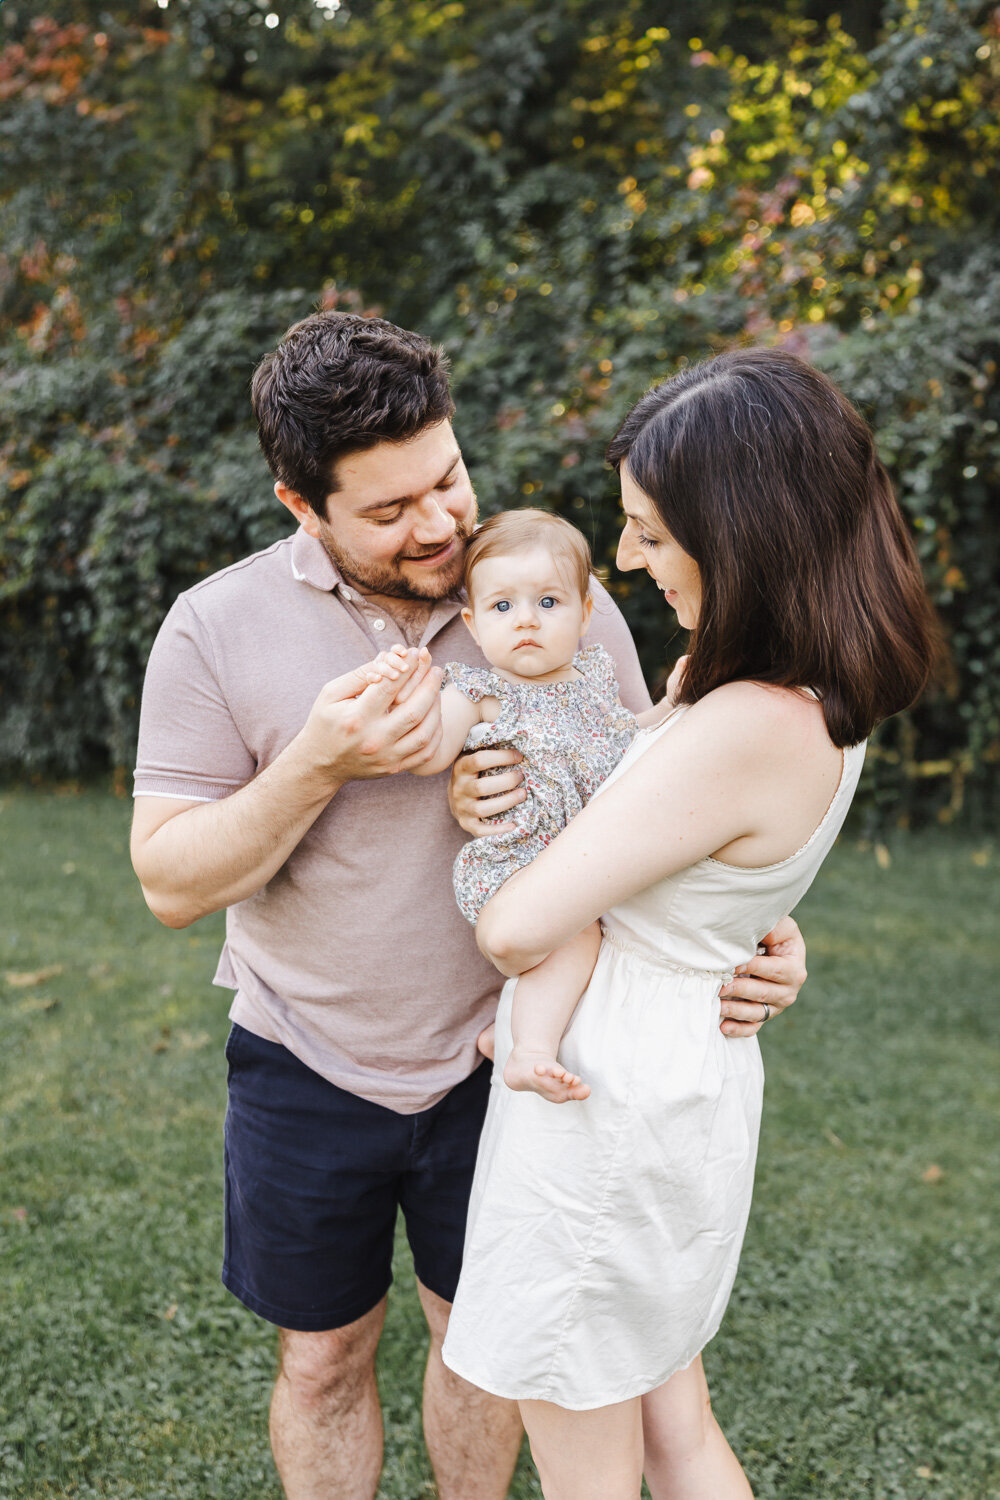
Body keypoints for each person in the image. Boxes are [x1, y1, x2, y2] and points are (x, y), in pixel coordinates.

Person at [129, 310, 809, 1500]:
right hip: (308, 1056)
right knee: (325, 1356)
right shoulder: (215, 628)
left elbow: (654, 808)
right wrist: (318, 763)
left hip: (513, 1058)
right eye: (388, 512)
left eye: (446, 478)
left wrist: (760, 931)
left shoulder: (562, 596)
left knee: (488, 1349)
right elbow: (168, 883)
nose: (440, 522)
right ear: (301, 506)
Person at [441, 347, 937, 1500]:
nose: (622, 558)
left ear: (744, 529)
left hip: (607, 1094)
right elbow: (708, 865)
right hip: (671, 1074)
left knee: (587, 1457)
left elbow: (519, 928)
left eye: (651, 533)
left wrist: (499, 827)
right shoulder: (805, 686)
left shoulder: (744, 720)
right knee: (672, 1425)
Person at [403, 507, 639, 1102]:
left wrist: (681, 706)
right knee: (578, 937)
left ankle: (507, 1028)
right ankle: (528, 1049)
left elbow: (636, 739)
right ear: (475, 624)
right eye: (503, 607)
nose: (526, 621)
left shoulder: (592, 677)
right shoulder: (481, 691)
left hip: (588, 857)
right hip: (519, 864)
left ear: (586, 614)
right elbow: (429, 752)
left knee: (617, 943)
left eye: (549, 603)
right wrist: (407, 688)